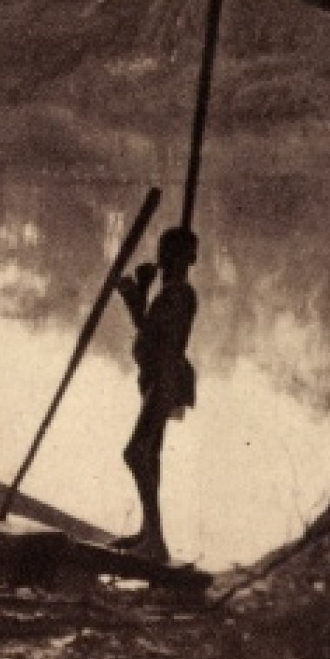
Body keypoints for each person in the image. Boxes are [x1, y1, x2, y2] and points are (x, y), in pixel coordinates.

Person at [112, 225, 199, 564]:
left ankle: (157, 540)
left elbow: (151, 335)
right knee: (151, 455)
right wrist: (139, 296)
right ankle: (150, 532)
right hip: (156, 379)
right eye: (162, 253)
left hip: (165, 380)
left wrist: (138, 293)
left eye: (169, 254)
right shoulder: (172, 292)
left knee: (135, 452)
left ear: (187, 259)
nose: (163, 260)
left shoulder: (178, 295)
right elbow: (148, 332)